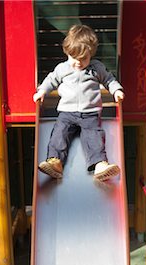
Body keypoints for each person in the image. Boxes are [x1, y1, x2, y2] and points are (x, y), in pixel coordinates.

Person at [33, 25, 124, 182]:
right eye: (74, 58)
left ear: (91, 54)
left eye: (83, 59)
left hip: (90, 113)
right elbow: (51, 80)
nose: (78, 63)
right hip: (67, 112)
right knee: (59, 133)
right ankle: (55, 162)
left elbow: (109, 79)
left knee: (94, 136)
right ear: (67, 53)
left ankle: (100, 165)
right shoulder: (62, 68)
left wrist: (116, 90)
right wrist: (42, 91)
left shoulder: (96, 68)